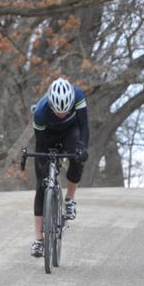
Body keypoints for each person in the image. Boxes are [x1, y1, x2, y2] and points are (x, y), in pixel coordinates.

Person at [30, 77, 89, 257]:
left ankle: (70, 199)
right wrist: (43, 163)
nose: (61, 114)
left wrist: (83, 148)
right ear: (51, 105)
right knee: (41, 184)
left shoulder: (78, 96)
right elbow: (39, 142)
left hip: (71, 132)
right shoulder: (40, 112)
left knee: (77, 158)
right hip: (47, 136)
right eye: (58, 111)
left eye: (65, 111)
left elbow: (84, 126)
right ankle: (38, 240)